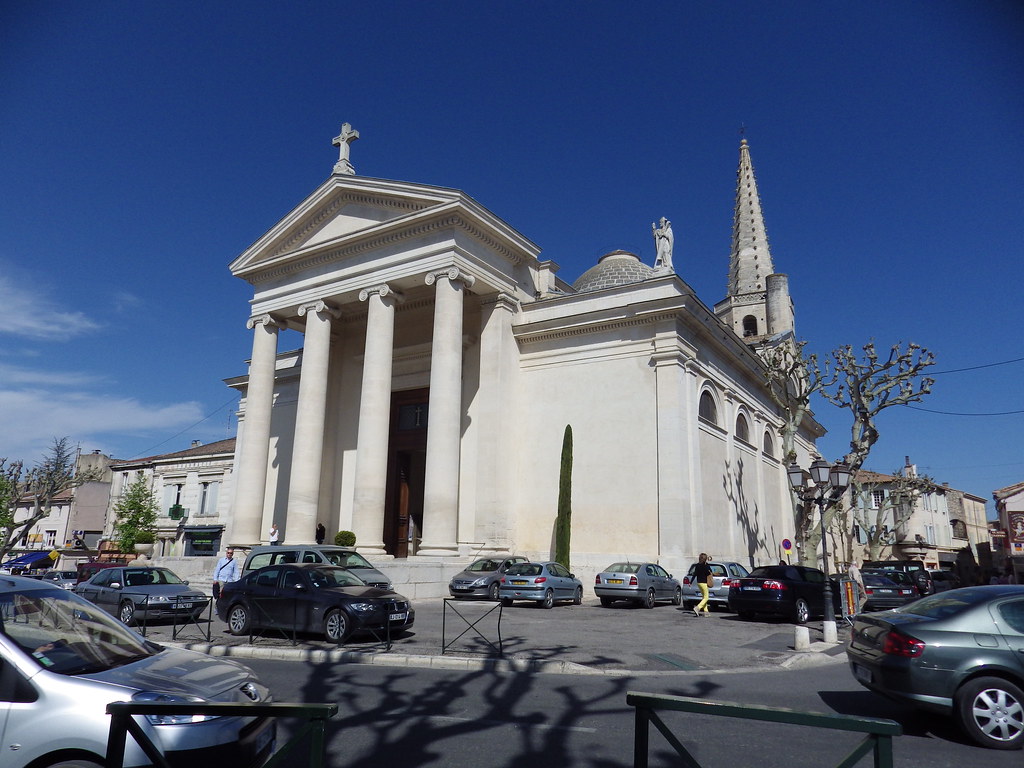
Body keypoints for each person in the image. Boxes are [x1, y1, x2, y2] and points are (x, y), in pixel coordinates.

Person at [692, 553, 712, 617]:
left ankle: (706, 612)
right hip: (704, 583)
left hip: (699, 583)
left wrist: (691, 582)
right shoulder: (705, 566)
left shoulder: (697, 565)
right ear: (705, 559)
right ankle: (697, 608)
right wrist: (707, 565)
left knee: (704, 597)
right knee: (706, 597)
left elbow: (695, 574)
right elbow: (709, 572)